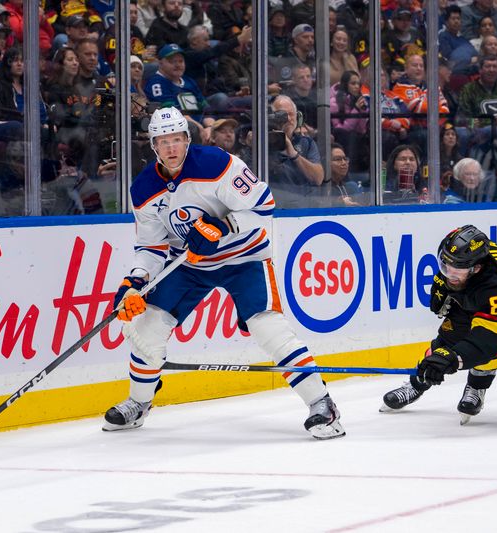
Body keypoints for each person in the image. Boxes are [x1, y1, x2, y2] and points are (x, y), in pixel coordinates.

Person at [103, 106, 345, 440]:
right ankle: (138, 404)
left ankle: (322, 405)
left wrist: (223, 226)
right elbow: (152, 248)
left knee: (268, 328)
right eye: (163, 141)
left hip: (244, 256)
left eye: (177, 139)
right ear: (153, 146)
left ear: (187, 140)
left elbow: (264, 206)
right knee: (147, 327)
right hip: (190, 264)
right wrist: (134, 284)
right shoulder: (144, 189)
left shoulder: (216, 164)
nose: (171, 148)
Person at [381, 225, 497, 424]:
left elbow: (488, 340)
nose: (448, 274)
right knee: (446, 339)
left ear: (476, 268)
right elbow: (453, 273)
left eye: (455, 271)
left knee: (486, 342)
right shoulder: (465, 262)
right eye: (445, 266)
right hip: (478, 294)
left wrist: (455, 359)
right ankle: (417, 382)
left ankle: (477, 386)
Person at [267, 95, 324, 208]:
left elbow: (318, 178)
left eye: (291, 114)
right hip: (272, 208)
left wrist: (293, 154)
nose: (288, 119)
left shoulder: (306, 143)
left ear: (298, 117)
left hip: (300, 209)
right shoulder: (261, 142)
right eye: (282, 115)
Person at [327, 143, 365, 207]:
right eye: (338, 159)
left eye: (345, 159)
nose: (344, 163)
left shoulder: (352, 187)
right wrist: (339, 204)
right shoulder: (321, 189)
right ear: (326, 162)